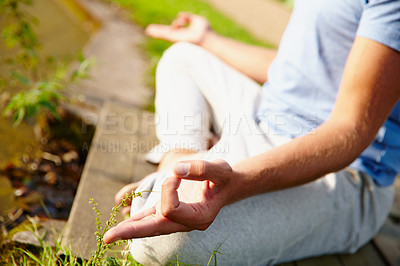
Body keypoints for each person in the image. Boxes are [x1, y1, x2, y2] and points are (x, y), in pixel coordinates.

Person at [103, 0, 400, 265]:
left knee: (159, 245)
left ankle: (203, 163)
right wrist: (206, 39)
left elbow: (350, 130)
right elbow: (297, 70)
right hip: (265, 117)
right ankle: (181, 164)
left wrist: (239, 182)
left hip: (345, 171)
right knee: (182, 55)